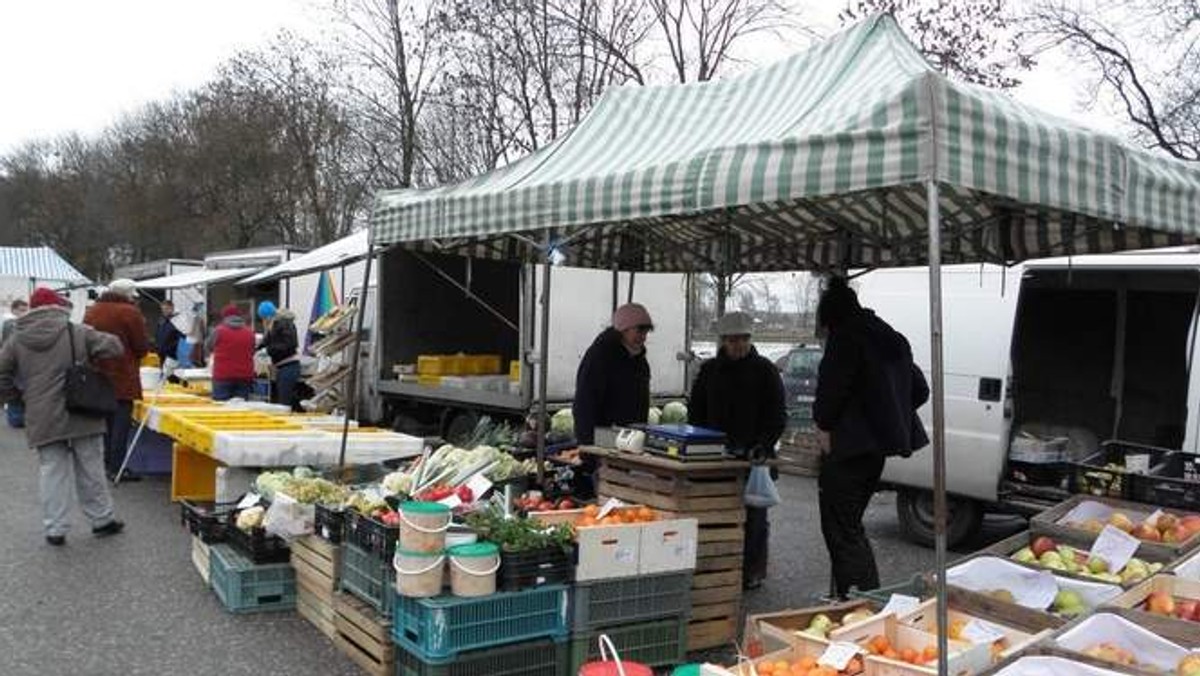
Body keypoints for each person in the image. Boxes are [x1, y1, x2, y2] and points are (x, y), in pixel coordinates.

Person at [813, 276, 930, 598]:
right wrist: (885, 414)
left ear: (830, 317)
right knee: (851, 525)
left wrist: (829, 424)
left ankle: (860, 600)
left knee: (842, 529)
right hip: (877, 452)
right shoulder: (891, 337)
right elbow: (919, 389)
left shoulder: (845, 338)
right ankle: (851, 597)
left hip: (847, 449)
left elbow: (829, 395)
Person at [0, 287, 126, 546]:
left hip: (41, 412)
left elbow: (2, 373)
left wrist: (18, 397)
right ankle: (102, 520)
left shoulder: (16, 338)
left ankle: (55, 528)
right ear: (57, 306)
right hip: (82, 409)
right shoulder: (75, 331)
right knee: (90, 468)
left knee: (51, 471)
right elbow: (114, 347)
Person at [688, 311, 787, 590]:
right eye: (733, 340)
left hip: (754, 458)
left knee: (754, 517)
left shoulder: (766, 371)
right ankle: (716, 568)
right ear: (724, 341)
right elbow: (696, 412)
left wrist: (762, 446)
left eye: (743, 339)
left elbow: (777, 416)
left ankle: (751, 570)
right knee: (715, 512)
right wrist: (701, 444)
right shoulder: (709, 371)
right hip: (714, 456)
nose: (738, 345)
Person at [83, 278, 150, 482]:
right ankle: (117, 467)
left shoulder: (92, 311)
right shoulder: (129, 312)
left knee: (103, 424)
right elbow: (141, 346)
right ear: (128, 294)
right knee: (120, 426)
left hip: (97, 373)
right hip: (122, 375)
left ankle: (103, 464)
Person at [206, 303, 256, 401]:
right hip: (244, 376)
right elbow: (252, 350)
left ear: (224, 317)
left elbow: (208, 346)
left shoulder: (219, 331)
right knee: (241, 409)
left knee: (221, 408)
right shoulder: (250, 332)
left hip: (223, 375)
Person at [257, 301, 301, 409]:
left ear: (268, 316)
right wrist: (257, 348)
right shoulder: (274, 324)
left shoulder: (284, 324)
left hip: (289, 367)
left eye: (264, 318)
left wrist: (268, 350)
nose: (264, 321)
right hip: (282, 368)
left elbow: (290, 344)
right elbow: (266, 341)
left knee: (284, 403)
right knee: (282, 399)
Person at [3, 298, 29, 428]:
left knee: (19, 389)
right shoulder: (10, 324)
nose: (24, 313)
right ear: (13, 310)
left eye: (26, 310)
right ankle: (15, 418)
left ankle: (18, 417)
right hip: (12, 362)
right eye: (21, 310)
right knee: (14, 389)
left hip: (19, 363)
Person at [155, 299, 185, 365]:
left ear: (172, 308)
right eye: (163, 309)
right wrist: (157, 347)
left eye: (166, 308)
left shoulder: (177, 321)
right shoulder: (161, 320)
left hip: (172, 355)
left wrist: (172, 348)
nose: (164, 311)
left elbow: (183, 337)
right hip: (161, 353)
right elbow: (157, 334)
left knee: (171, 373)